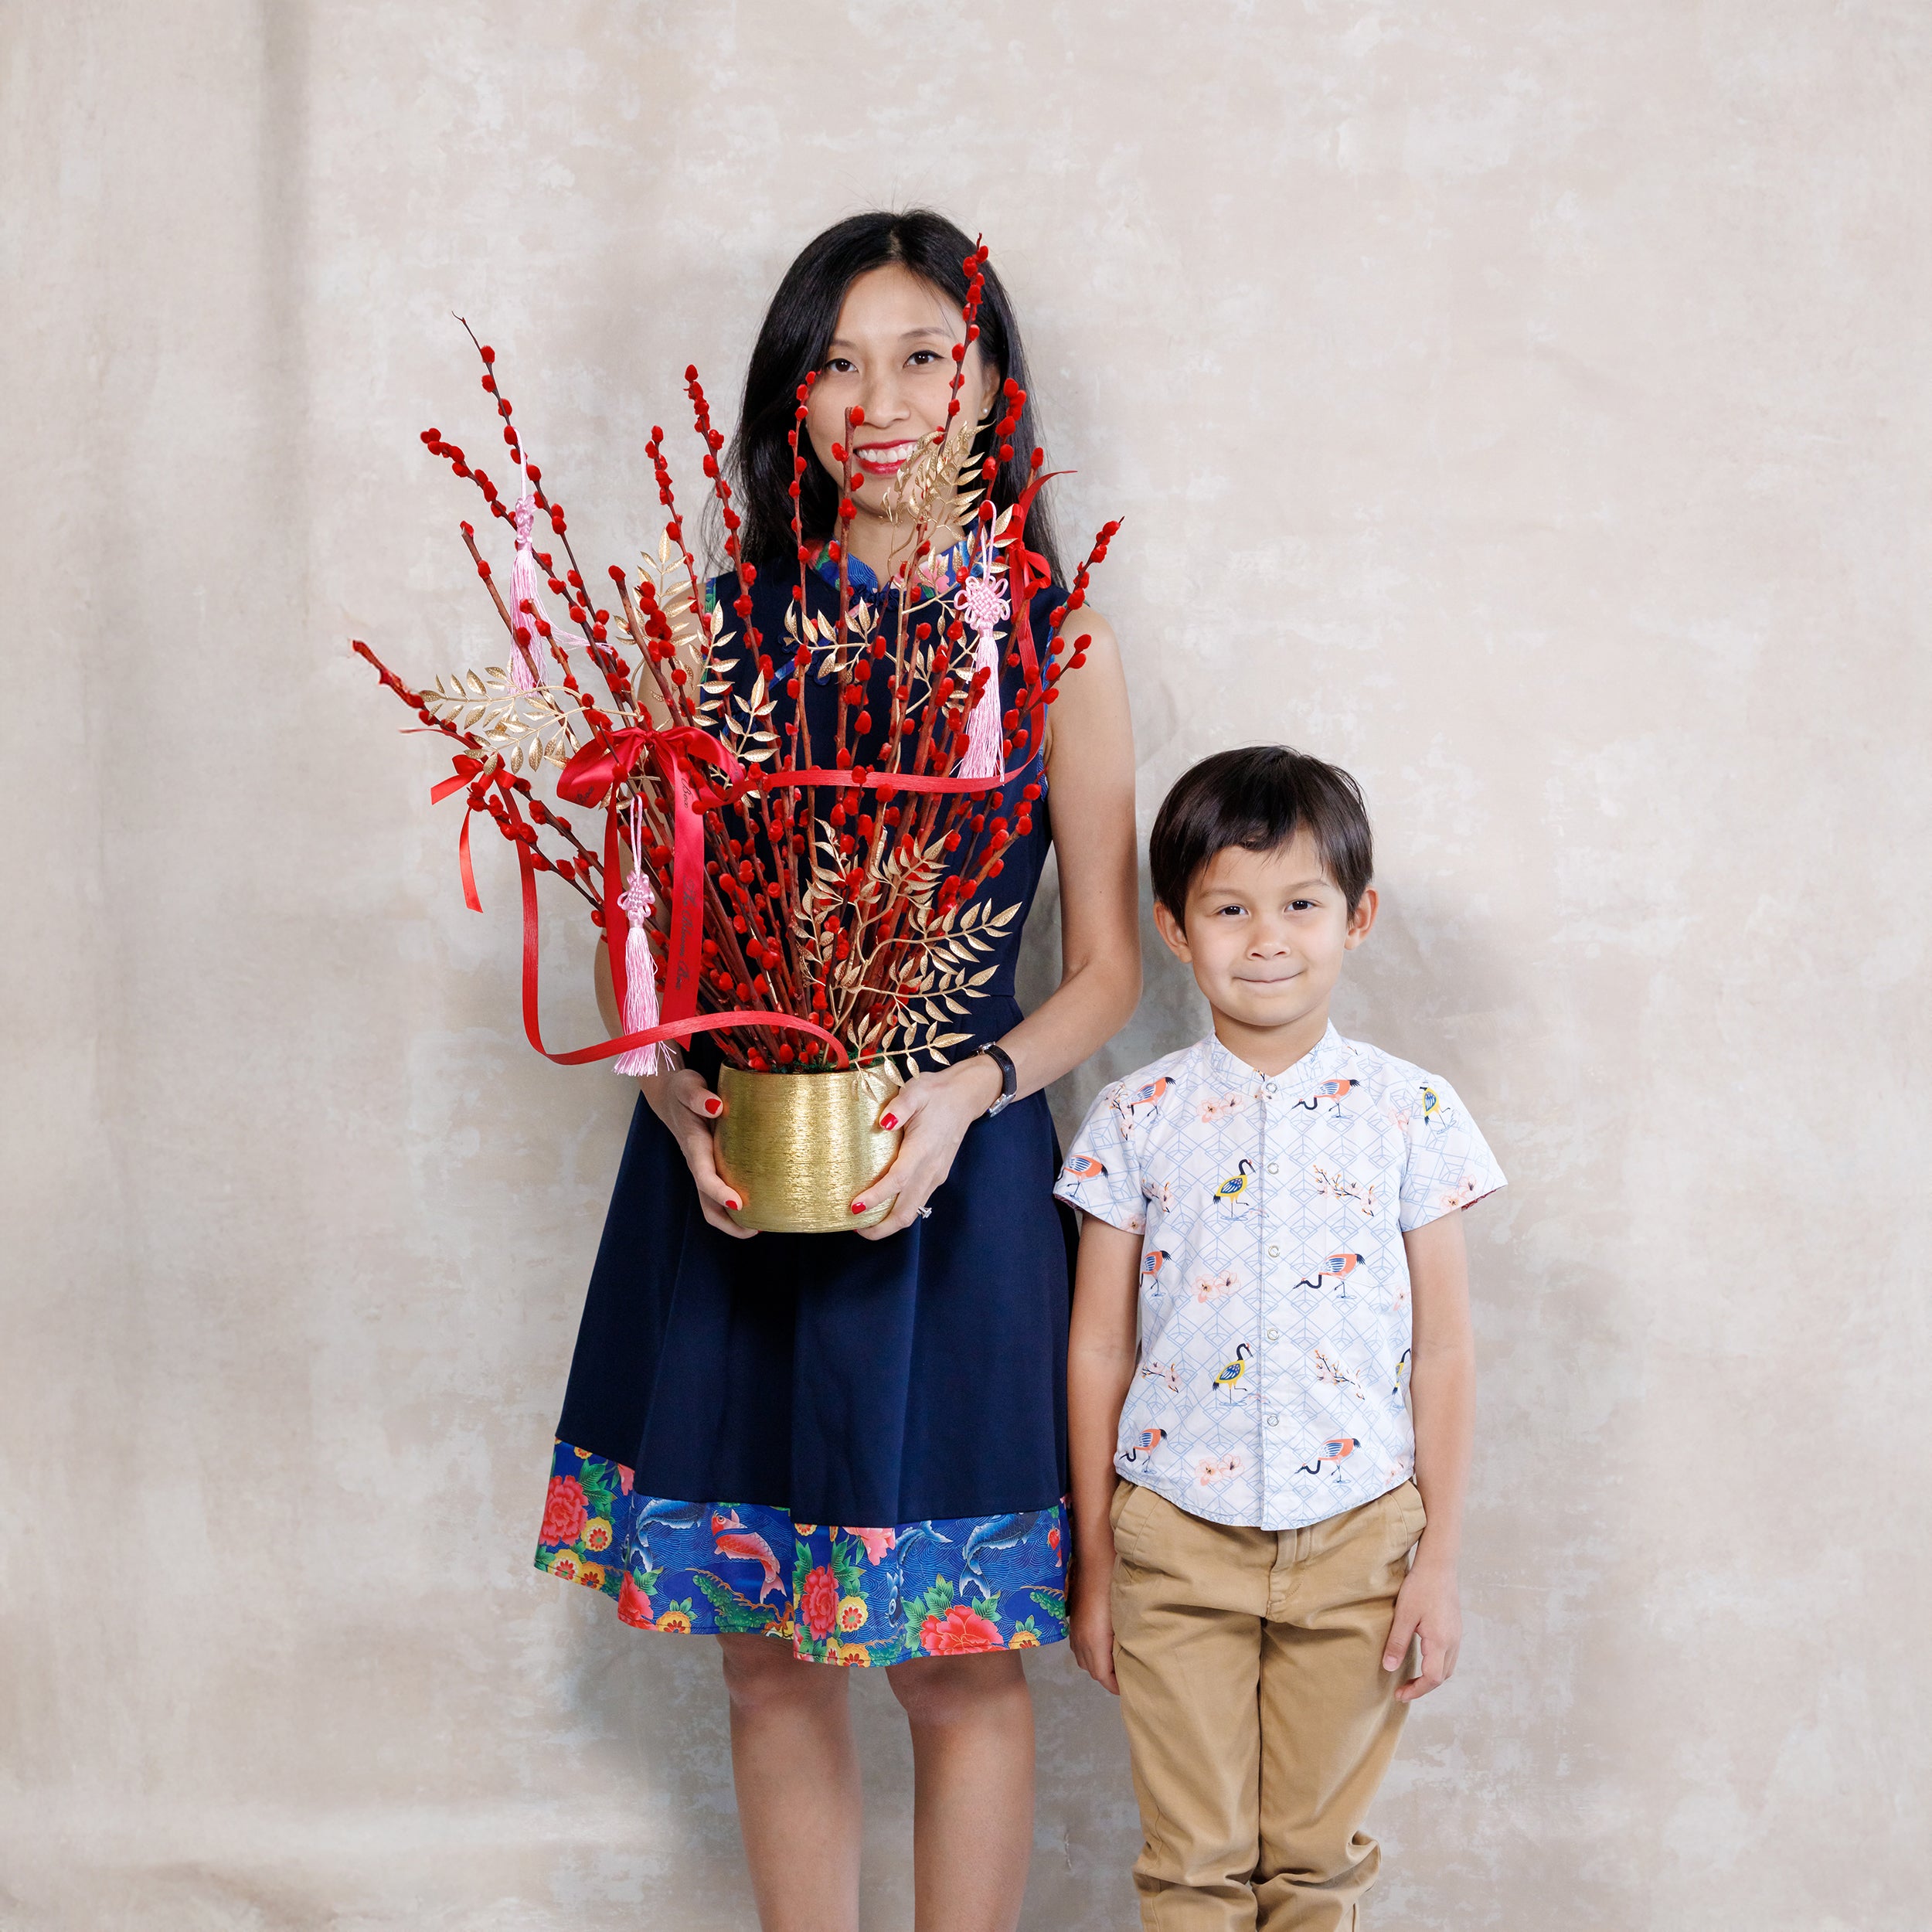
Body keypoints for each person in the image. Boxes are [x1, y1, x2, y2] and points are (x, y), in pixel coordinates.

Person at [535, 209, 1139, 1932]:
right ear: (786, 400)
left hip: (957, 1188)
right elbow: (633, 940)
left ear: (986, 381)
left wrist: (963, 1094)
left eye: (921, 354)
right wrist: (668, 1087)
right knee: (766, 1659)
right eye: (833, 361)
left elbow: (1103, 965)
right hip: (730, 1178)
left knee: (950, 1666)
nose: (876, 397)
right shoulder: (710, 627)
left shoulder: (1053, 636)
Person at [1057, 747, 1505, 1931]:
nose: (1267, 938)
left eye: (1301, 904)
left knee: (1314, 1866)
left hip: (1362, 1536)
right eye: (1230, 908)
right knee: (1194, 1867)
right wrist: (1099, 1567)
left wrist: (1439, 1563)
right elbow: (1098, 1350)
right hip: (1173, 1539)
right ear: (1172, 925)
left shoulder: (1412, 1113)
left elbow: (1448, 1354)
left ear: (1357, 919)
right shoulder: (1133, 1117)